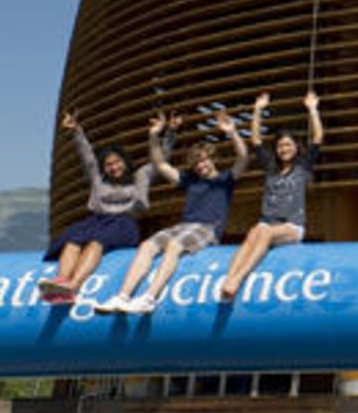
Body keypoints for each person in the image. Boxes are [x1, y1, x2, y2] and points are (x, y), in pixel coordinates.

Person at [98, 96, 258, 315]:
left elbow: (243, 157)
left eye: (204, 160)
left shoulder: (225, 180)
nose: (201, 165)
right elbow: (160, 164)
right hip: (183, 226)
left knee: (174, 246)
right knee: (147, 245)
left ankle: (148, 298)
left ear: (212, 159)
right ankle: (123, 296)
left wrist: (231, 132)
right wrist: (154, 136)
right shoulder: (189, 180)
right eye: (197, 162)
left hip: (207, 229)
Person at [39, 110, 160, 303]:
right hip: (96, 221)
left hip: (124, 223)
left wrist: (163, 135)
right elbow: (87, 157)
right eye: (109, 165)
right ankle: (61, 281)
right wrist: (76, 131)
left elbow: (159, 162)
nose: (114, 167)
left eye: (117, 162)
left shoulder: (139, 178)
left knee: (96, 243)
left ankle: (73, 286)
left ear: (125, 162)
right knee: (72, 241)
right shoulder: (99, 181)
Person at [215, 90, 324, 302]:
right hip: (267, 223)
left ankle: (236, 281)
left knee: (263, 234)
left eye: (288, 145)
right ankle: (227, 280)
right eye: (280, 145)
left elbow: (318, 138)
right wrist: (257, 110)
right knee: (253, 233)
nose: (284, 149)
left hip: (292, 227)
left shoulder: (302, 166)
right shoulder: (271, 168)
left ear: (295, 147)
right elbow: (255, 140)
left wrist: (312, 109)